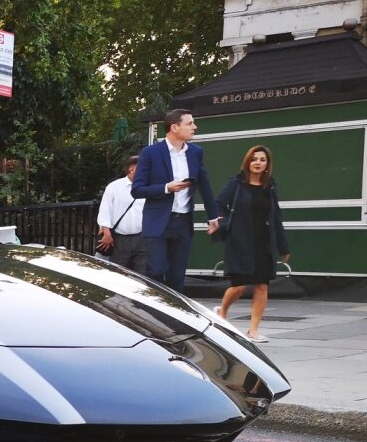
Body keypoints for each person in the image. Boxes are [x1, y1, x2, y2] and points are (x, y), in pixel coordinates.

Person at [131, 109, 220, 292]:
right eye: (189, 123)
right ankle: (152, 313)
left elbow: (204, 184)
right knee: (156, 271)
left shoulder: (196, 152)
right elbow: (137, 190)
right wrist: (166, 188)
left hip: (183, 222)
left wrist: (213, 217)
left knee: (177, 276)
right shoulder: (150, 153)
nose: (194, 127)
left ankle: (175, 317)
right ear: (174, 127)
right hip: (158, 222)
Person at [214, 145, 290, 343]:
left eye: (262, 159)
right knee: (239, 285)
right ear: (248, 162)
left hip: (264, 242)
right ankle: (222, 312)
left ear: (267, 164)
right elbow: (219, 204)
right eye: (254, 159)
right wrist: (221, 223)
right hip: (239, 240)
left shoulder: (270, 186)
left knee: (262, 285)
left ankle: (253, 331)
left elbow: (277, 216)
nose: (258, 163)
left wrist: (283, 246)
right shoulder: (236, 184)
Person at [95, 155, 147, 274]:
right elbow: (105, 211)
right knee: (118, 273)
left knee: (143, 273)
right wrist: (107, 234)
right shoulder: (114, 187)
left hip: (142, 237)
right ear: (132, 169)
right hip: (120, 238)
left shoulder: (146, 187)